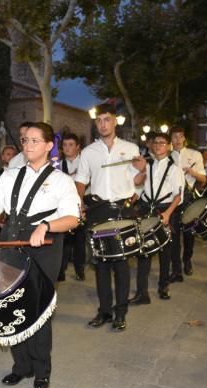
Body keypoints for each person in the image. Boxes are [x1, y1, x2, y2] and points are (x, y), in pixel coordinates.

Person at [0, 122, 80, 388]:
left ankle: (41, 369)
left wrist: (46, 225)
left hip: (44, 246)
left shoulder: (61, 180)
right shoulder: (10, 176)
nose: (29, 145)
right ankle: (21, 366)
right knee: (7, 306)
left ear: (49, 146)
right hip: (9, 242)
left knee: (37, 309)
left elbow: (72, 218)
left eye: (35, 141)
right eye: (25, 140)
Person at [75, 103, 146, 331]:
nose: (103, 124)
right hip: (98, 210)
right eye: (99, 120)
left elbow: (138, 182)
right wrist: (78, 205)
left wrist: (143, 169)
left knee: (122, 264)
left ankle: (121, 313)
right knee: (101, 264)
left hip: (123, 210)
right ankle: (104, 311)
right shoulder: (88, 152)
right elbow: (81, 181)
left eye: (107, 119)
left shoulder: (130, 148)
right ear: (96, 123)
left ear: (115, 121)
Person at [130, 132, 185, 304]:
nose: (158, 145)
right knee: (143, 250)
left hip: (165, 210)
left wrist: (168, 213)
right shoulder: (148, 165)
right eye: (156, 143)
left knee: (165, 251)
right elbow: (138, 186)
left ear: (168, 146)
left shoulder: (175, 168)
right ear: (152, 146)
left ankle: (163, 286)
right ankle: (142, 293)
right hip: (146, 209)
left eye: (162, 143)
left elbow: (179, 195)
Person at [169, 127, 207, 280]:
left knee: (189, 233)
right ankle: (176, 266)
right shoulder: (166, 155)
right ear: (170, 139)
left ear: (184, 138)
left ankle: (187, 260)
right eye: (174, 136)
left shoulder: (194, 154)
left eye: (180, 136)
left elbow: (203, 179)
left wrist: (192, 173)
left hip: (189, 197)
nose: (177, 139)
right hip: (171, 199)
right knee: (173, 234)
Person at [57, 133, 87, 282]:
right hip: (64, 206)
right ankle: (61, 270)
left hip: (82, 205)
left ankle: (79, 269)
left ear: (78, 147)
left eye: (71, 145)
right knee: (64, 240)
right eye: (65, 145)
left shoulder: (84, 162)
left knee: (80, 240)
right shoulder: (57, 165)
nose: (67, 148)